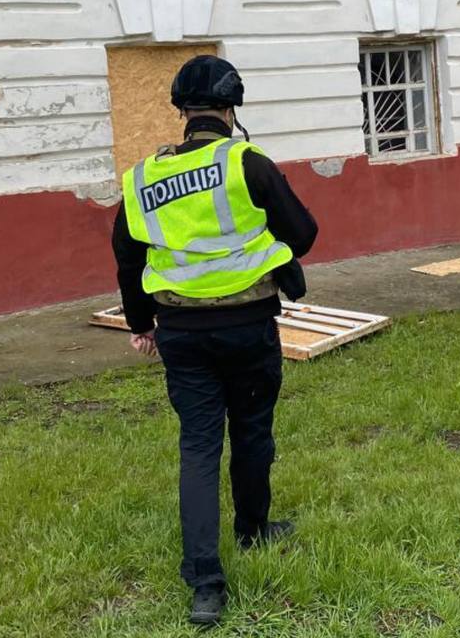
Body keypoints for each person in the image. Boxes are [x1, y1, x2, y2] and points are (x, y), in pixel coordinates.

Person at [111, 54, 318, 627]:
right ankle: (252, 530)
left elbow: (127, 258)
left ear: (182, 110)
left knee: (199, 447)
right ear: (231, 108)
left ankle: (205, 582)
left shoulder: (142, 178)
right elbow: (303, 234)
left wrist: (140, 324)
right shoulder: (247, 164)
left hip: (181, 333)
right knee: (252, 432)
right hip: (248, 327)